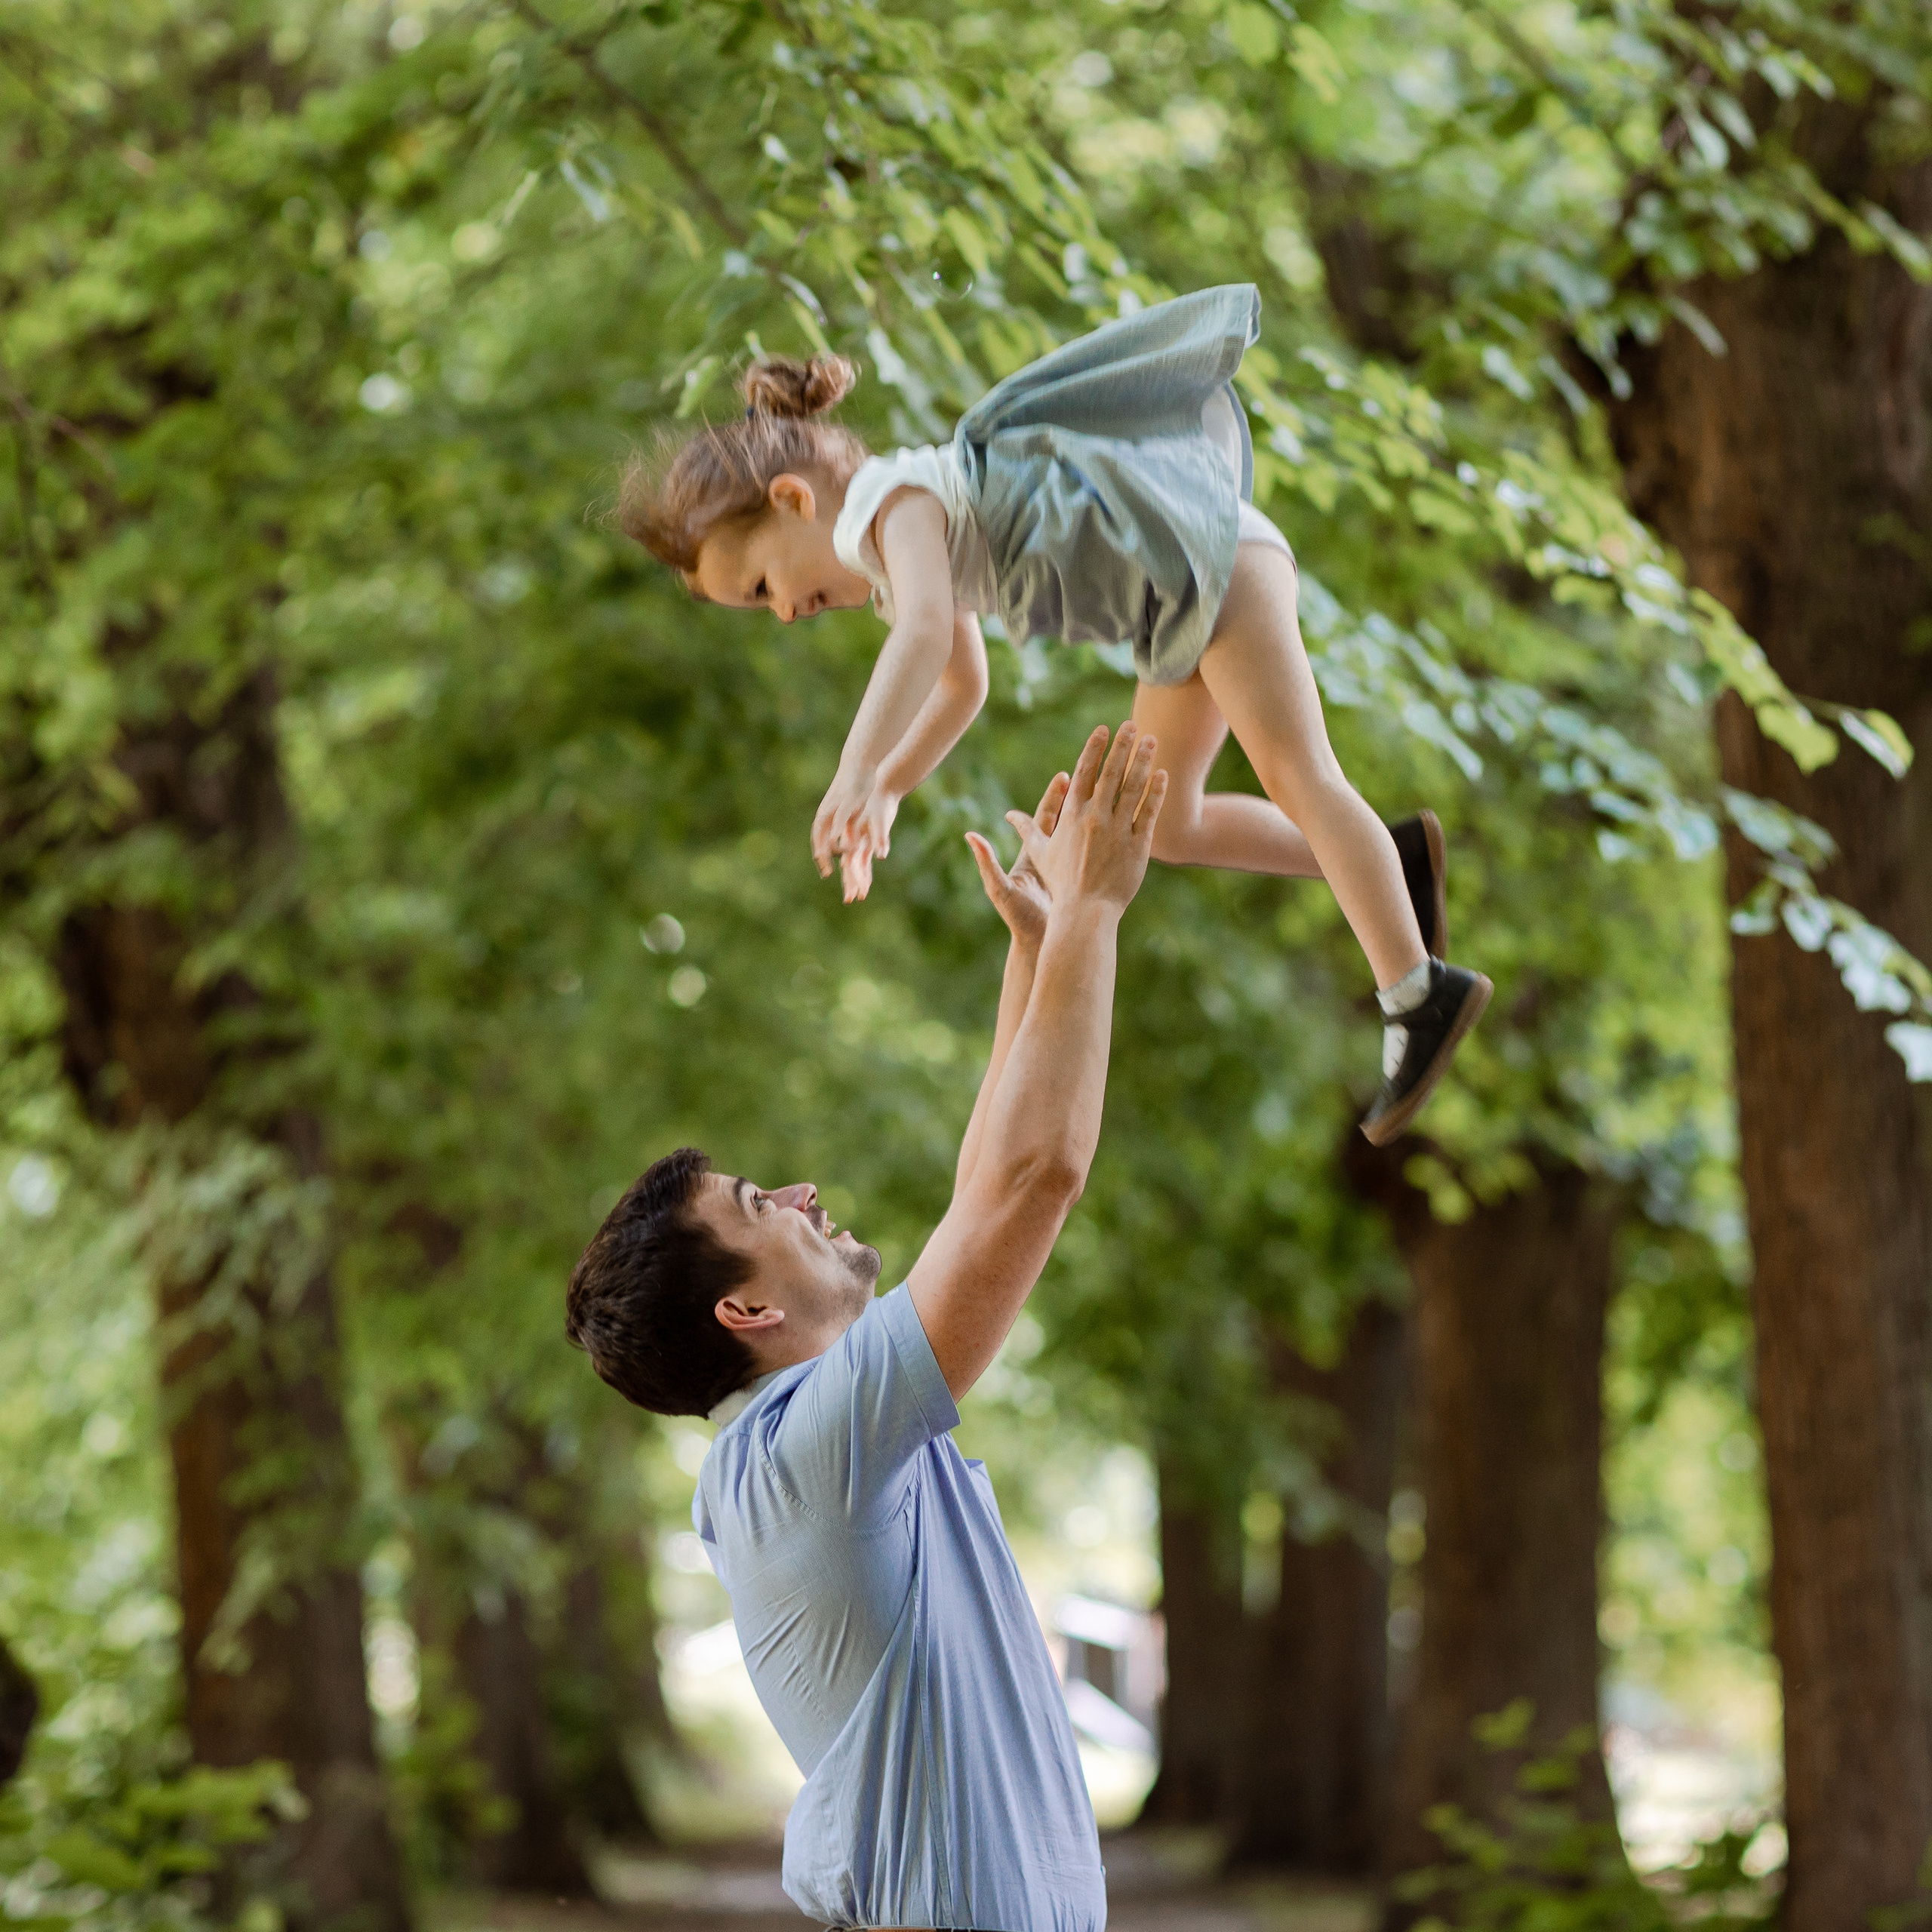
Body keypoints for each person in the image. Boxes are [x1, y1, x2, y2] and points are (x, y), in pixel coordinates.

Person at [618, 285, 1487, 1143]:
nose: (780, 612)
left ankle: (1417, 989)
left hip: (1209, 564)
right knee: (1168, 823)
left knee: (1297, 773)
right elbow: (963, 685)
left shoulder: (895, 502)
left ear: (792, 500)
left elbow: (924, 637)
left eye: (763, 584)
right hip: (1174, 610)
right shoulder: (896, 558)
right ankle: (1390, 864)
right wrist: (887, 784)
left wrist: (852, 766)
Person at [566, 721, 1167, 1932]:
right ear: (748, 1310)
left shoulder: (814, 1445)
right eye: (755, 1205)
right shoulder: (805, 1458)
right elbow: (1032, 1180)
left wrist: (1042, 953)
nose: (793, 1193)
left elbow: (985, 1185)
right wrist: (1096, 916)